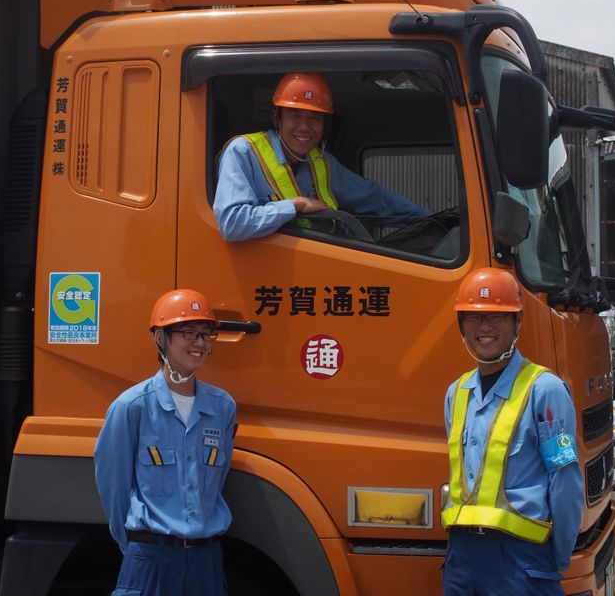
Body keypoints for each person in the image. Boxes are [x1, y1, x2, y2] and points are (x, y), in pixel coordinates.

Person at [441, 268, 584, 596]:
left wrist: (559, 554)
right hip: (461, 560)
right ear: (461, 324)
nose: (484, 327)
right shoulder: (456, 393)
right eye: (474, 317)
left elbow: (565, 481)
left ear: (518, 322)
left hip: (519, 559)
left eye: (496, 317)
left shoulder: (544, 390)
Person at [95, 289, 236, 596]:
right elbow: (113, 485)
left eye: (205, 334)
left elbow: (217, 481)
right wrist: (136, 546)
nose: (200, 343)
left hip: (205, 562)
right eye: (189, 333)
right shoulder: (131, 406)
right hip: (150, 559)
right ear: (160, 338)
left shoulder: (222, 408)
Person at [213, 72, 430, 241]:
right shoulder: (243, 151)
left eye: (315, 118)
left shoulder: (321, 161)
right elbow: (232, 224)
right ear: (276, 118)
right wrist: (296, 205)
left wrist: (429, 219)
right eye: (295, 116)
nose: (305, 127)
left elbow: (372, 197)